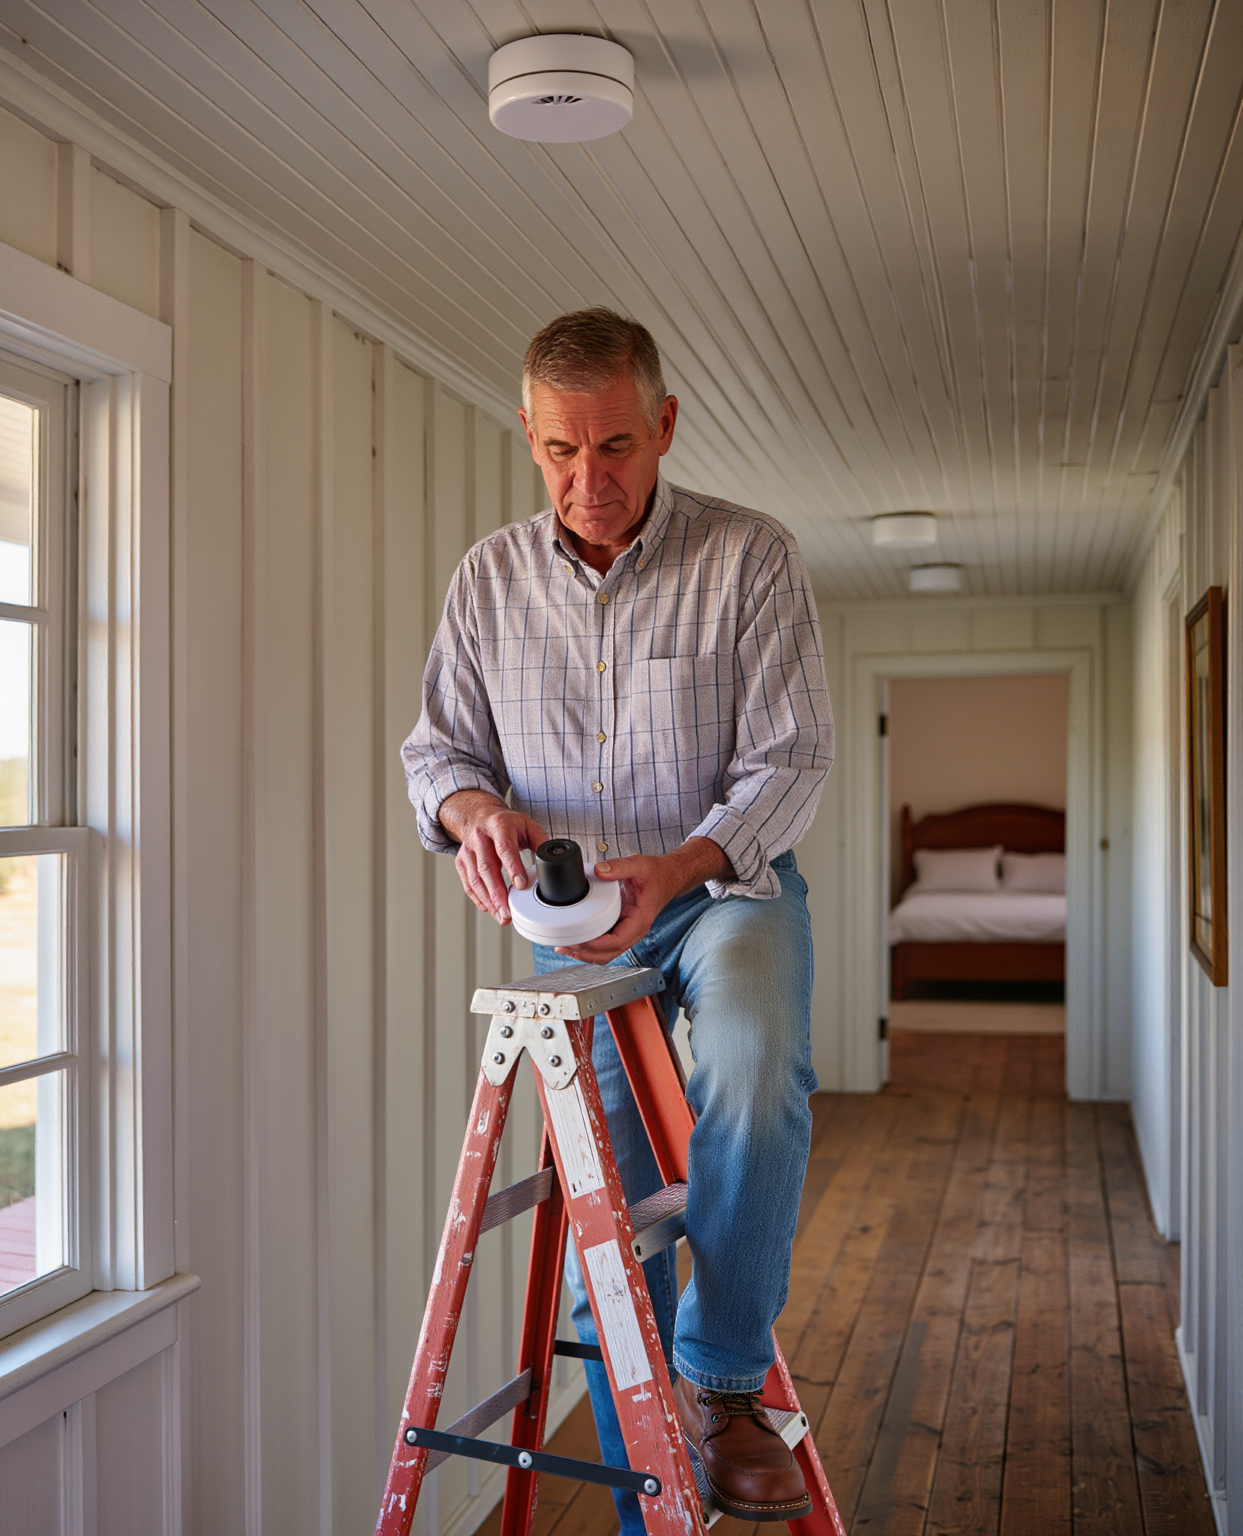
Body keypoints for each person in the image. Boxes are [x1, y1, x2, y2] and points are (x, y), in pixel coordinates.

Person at [401, 308, 834, 1529]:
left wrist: (682, 862)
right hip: (573, 928)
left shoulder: (752, 556)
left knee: (753, 1067)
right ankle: (659, 1486)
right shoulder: (487, 579)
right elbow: (436, 751)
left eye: (615, 449)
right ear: (530, 437)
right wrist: (474, 810)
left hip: (723, 894)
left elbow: (794, 760)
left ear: (666, 426)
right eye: (558, 453)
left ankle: (723, 1383)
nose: (588, 481)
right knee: (611, 1218)